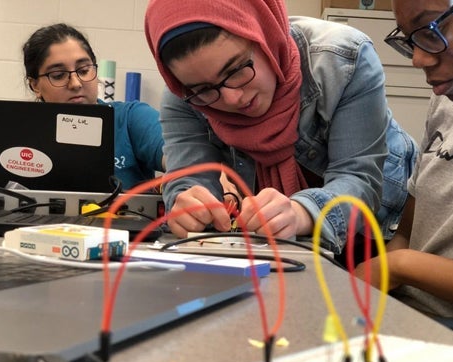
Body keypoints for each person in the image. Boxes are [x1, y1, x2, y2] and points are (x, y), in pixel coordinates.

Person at [144, 0, 418, 257]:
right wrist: (188, 204)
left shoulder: (343, 58)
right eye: (204, 89)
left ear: (266, 35)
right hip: (282, 241)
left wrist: (300, 212)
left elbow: (359, 179)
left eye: (236, 69)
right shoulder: (185, 97)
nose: (232, 99)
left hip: (383, 233)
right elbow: (187, 179)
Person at [353, 0, 453, 322]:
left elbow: (404, 259)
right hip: (403, 317)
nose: (418, 59)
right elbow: (409, 234)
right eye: (409, 39)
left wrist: (402, 266)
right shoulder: (451, 100)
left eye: (432, 29)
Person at [22, 23, 165, 191]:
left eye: (83, 70)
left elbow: (183, 159)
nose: (75, 84)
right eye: (58, 75)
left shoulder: (130, 118)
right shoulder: (21, 130)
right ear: (35, 85)